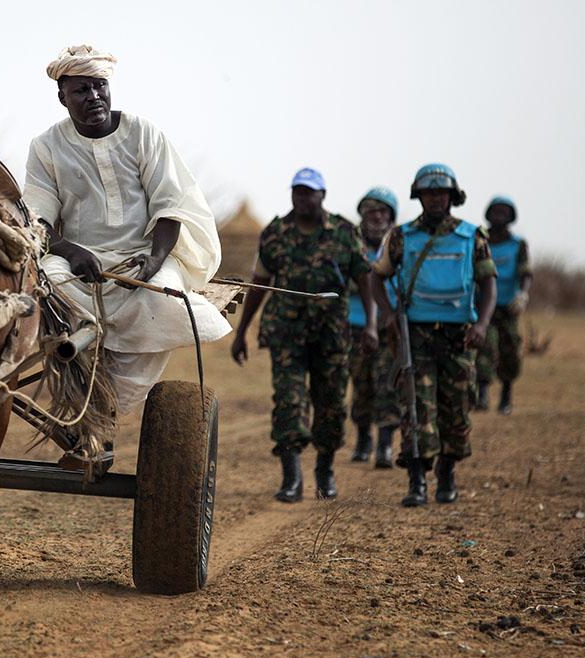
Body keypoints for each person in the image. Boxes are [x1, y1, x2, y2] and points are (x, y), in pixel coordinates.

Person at [23, 45, 231, 424]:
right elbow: (37, 220)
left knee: (164, 303)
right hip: (78, 261)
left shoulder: (143, 133)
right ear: (62, 97)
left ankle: (106, 411)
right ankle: (80, 385)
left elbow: (171, 205)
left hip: (145, 256)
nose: (94, 96)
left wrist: (154, 260)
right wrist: (70, 251)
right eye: (81, 90)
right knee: (46, 288)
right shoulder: (46, 147)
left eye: (99, 86)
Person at [231, 168, 377, 502]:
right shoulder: (275, 233)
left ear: (322, 195)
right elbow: (260, 283)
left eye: (309, 192)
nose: (302, 198)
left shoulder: (344, 233)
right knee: (289, 403)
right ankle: (291, 478)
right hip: (287, 335)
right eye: (297, 191)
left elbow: (365, 280)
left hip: (331, 336)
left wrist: (371, 324)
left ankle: (325, 471)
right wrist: (241, 332)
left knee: (330, 405)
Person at [370, 164, 497, 507]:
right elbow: (376, 277)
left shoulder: (472, 237)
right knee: (416, 407)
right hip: (416, 336)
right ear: (419, 196)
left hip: (459, 337)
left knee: (456, 409)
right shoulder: (402, 236)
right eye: (429, 193)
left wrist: (482, 325)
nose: (436, 199)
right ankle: (417, 481)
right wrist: (388, 314)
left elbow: (489, 285)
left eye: (442, 193)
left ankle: (447, 472)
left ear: (452, 196)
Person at [347, 187, 401, 468]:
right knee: (361, 383)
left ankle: (385, 445)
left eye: (382, 211)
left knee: (388, 383)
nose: (376, 216)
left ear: (391, 216)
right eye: (371, 211)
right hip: (354, 326)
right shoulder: (349, 245)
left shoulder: (400, 245)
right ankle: (363, 439)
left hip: (390, 328)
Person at [474, 196, 531, 414]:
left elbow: (526, 272)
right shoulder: (479, 240)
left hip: (508, 307)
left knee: (510, 350)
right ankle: (482, 394)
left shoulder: (518, 245)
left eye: (504, 212)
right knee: (484, 346)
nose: (499, 216)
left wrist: (523, 295)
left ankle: (506, 395)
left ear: (511, 216)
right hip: (483, 307)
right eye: (495, 211)